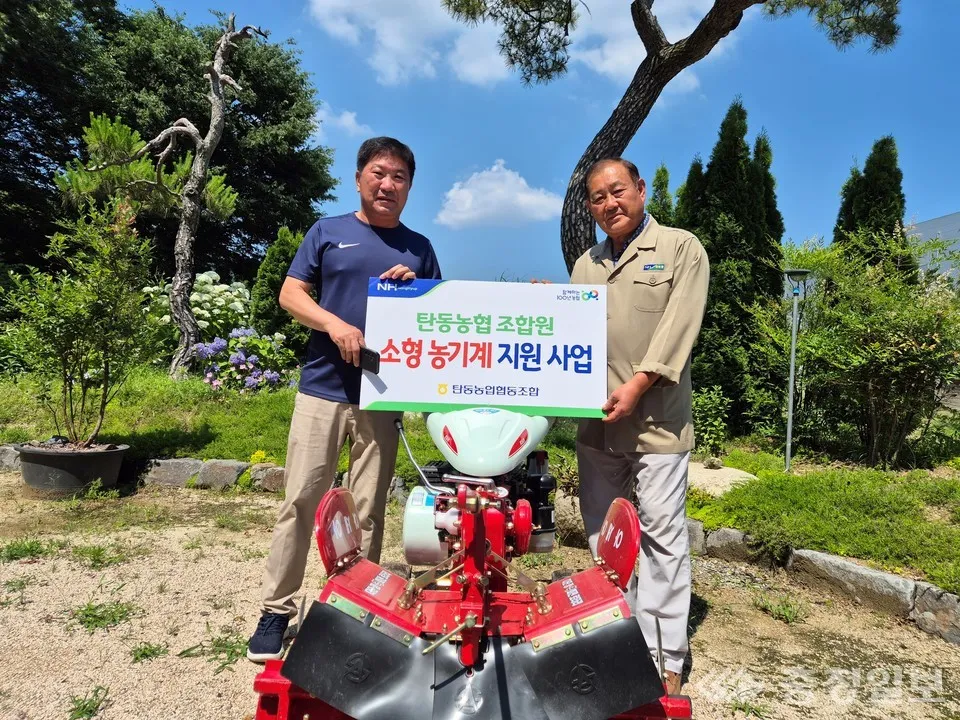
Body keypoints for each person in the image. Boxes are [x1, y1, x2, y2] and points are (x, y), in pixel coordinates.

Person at [247, 137, 442, 662]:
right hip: (322, 389)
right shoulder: (327, 231)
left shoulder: (419, 248)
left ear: (409, 188)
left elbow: (438, 318)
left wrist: (414, 287)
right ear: (358, 178)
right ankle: (276, 610)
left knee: (368, 509)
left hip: (382, 397)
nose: (388, 184)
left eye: (399, 177)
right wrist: (336, 325)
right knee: (301, 500)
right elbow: (290, 294)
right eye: (379, 173)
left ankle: (358, 607)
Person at [569, 157, 709, 696]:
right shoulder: (586, 264)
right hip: (597, 426)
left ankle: (663, 655)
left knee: (661, 536)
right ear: (590, 207)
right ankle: (614, 636)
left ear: (641, 189)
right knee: (606, 536)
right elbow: (569, 335)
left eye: (618, 191)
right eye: (599, 198)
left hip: (656, 424)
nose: (611, 204)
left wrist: (638, 384)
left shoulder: (679, 248)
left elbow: (678, 328)